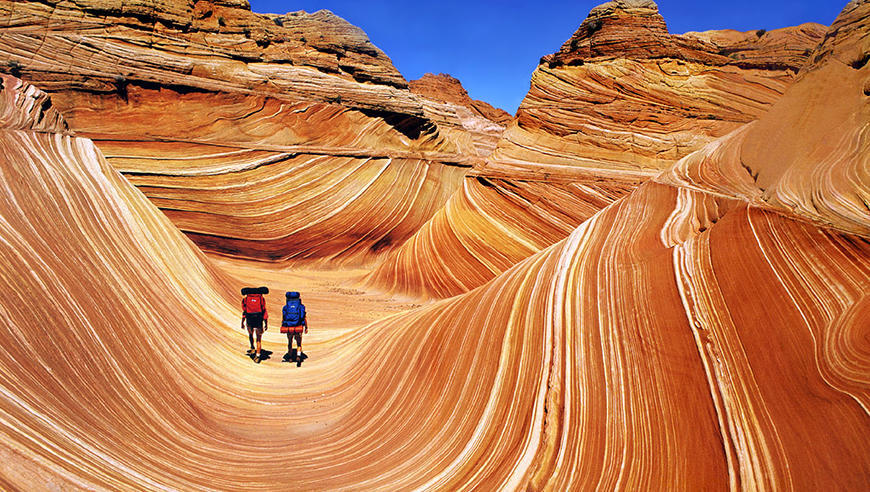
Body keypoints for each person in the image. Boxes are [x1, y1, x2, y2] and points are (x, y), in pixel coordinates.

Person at [241, 287, 269, 362]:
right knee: (258, 339)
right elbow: (264, 310)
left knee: (250, 334)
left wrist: (242, 322)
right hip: (259, 319)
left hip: (249, 319)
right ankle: (258, 356)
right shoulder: (261, 298)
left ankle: (252, 347)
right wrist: (266, 323)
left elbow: (244, 310)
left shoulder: (246, 299)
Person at [281, 291, 308, 366]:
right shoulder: (301, 306)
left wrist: (283, 325)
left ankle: (290, 358)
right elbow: (303, 317)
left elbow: (283, 317)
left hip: (289, 326)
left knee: (290, 342)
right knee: (299, 343)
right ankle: (298, 355)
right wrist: (306, 327)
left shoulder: (285, 307)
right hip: (298, 326)